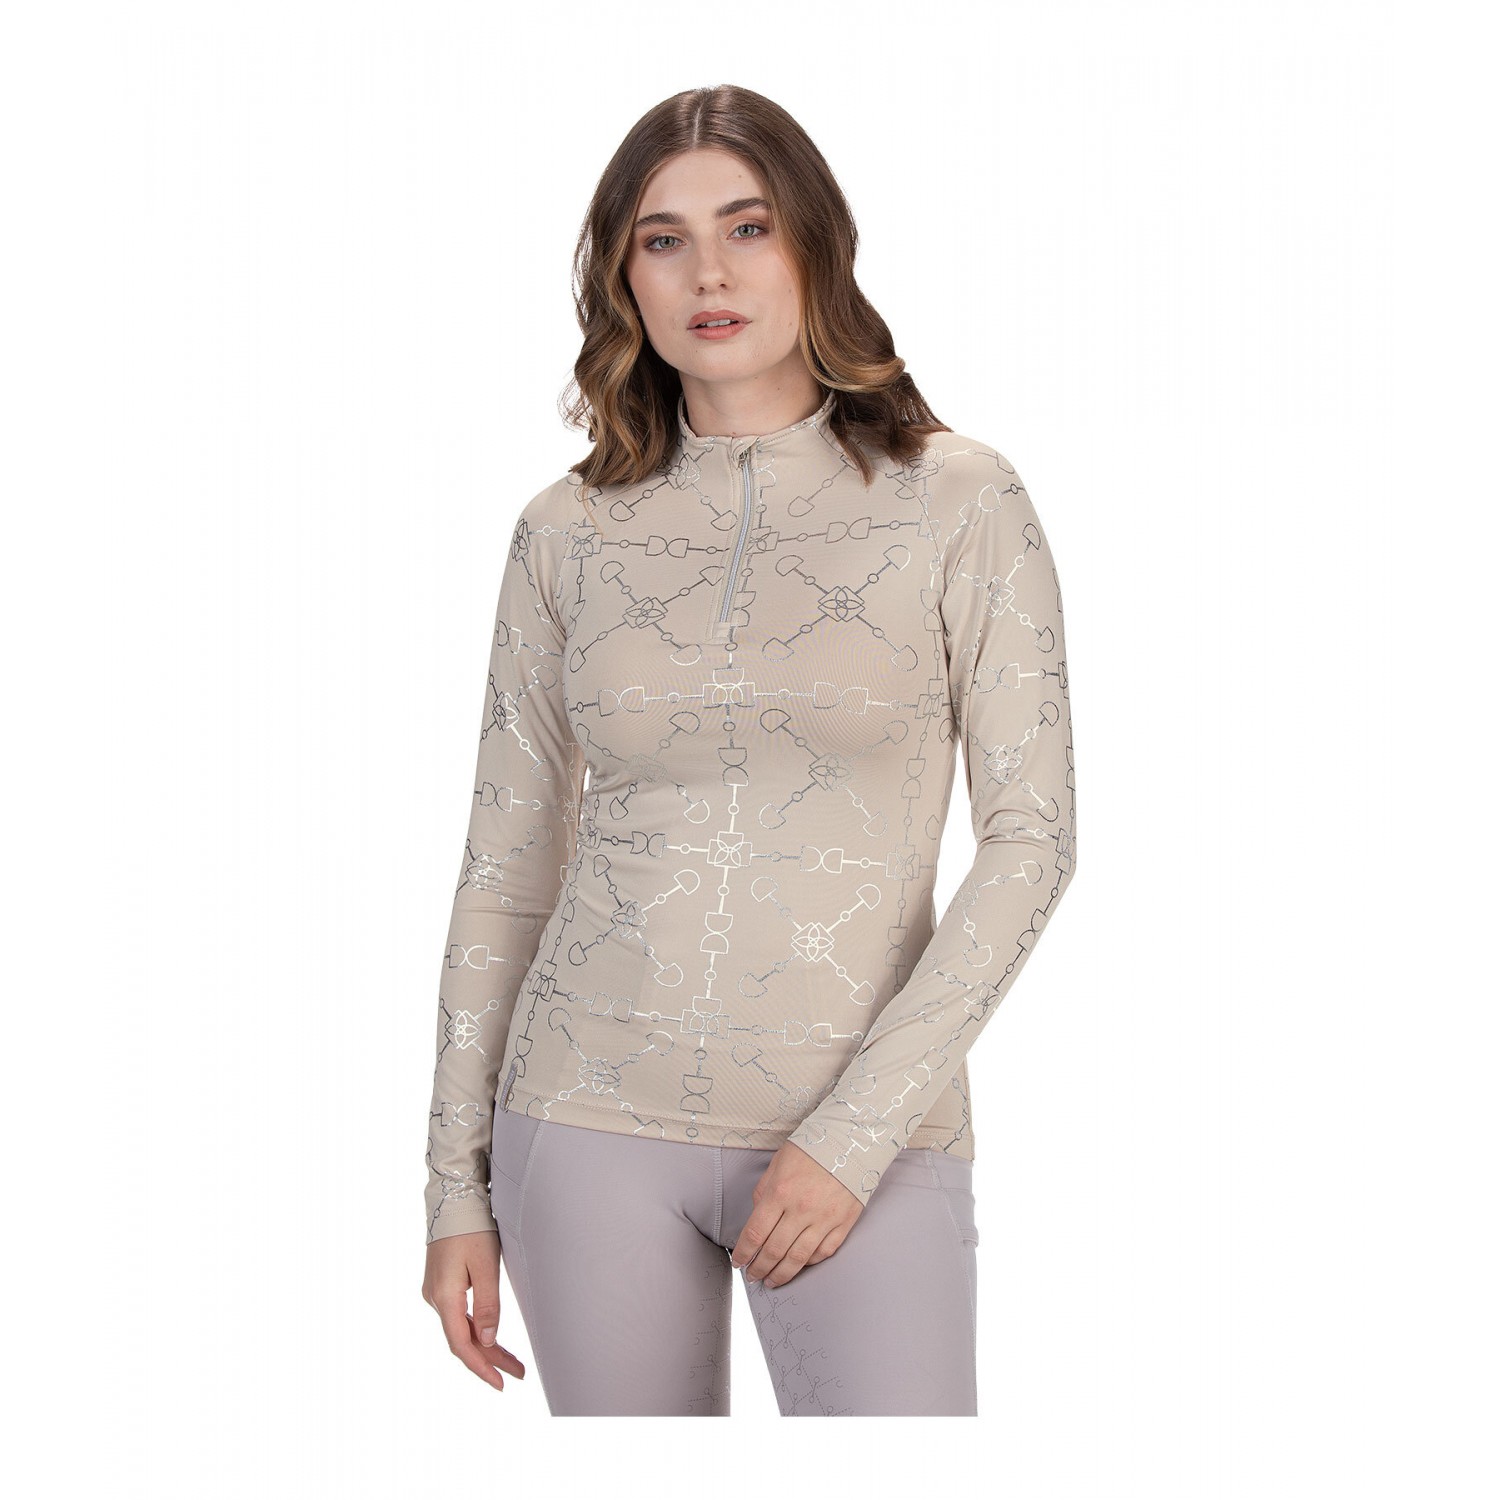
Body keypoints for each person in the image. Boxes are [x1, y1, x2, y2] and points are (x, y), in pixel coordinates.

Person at [419, 84, 1079, 1417]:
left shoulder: (959, 498)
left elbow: (1033, 842)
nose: (708, 273)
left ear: (816, 246)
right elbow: (504, 869)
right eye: (662, 240)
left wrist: (853, 1135)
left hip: (869, 1134)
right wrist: (453, 1186)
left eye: (748, 227)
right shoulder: (564, 531)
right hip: (582, 1117)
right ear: (624, 279)